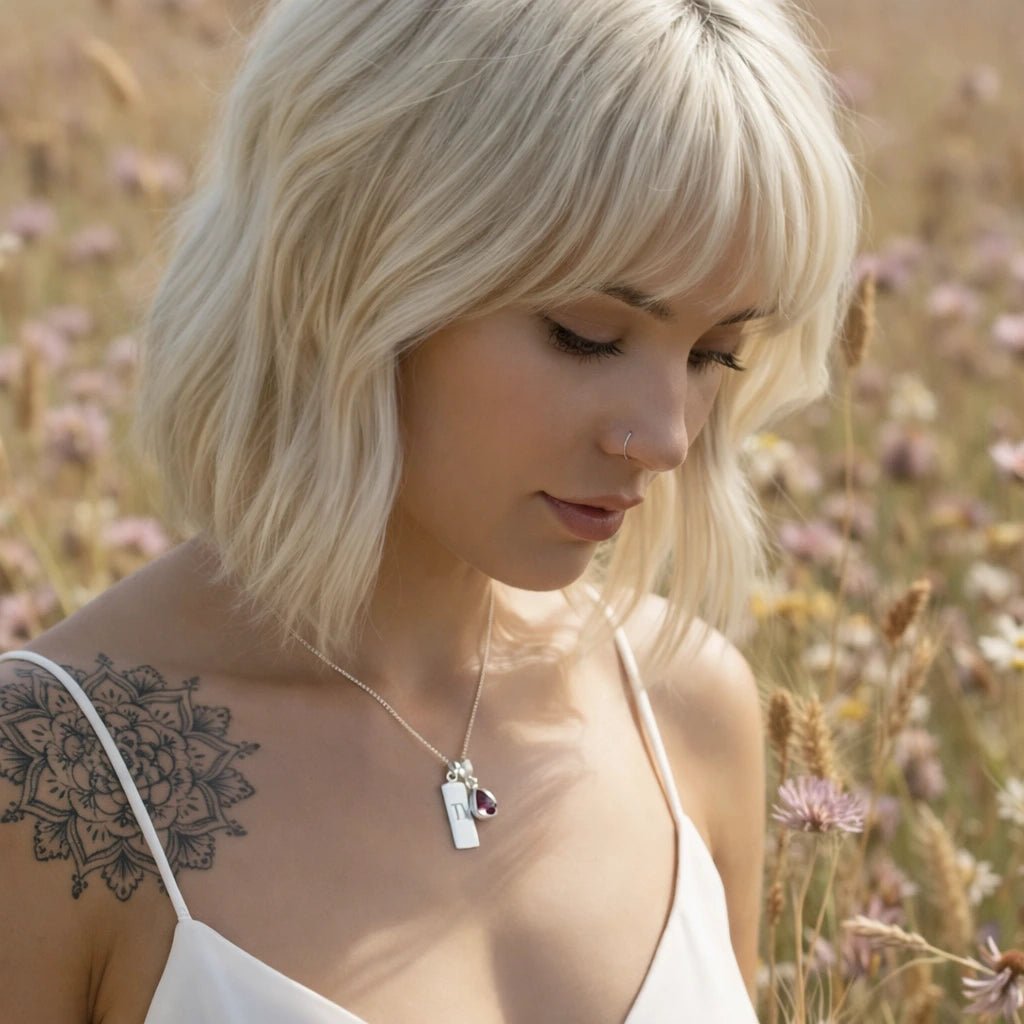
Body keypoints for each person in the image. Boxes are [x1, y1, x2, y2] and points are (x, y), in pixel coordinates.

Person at [0, 0, 859, 1020]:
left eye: (716, 353)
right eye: (586, 335)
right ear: (351, 268)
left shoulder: (685, 709)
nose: (668, 437)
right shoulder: (53, 778)